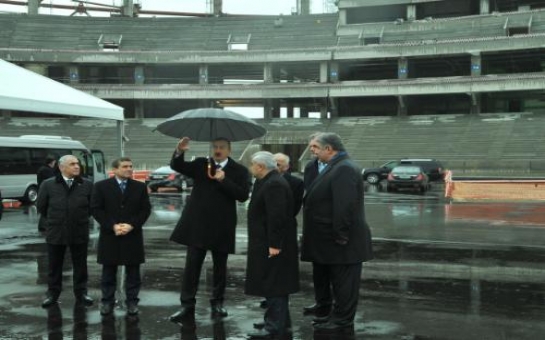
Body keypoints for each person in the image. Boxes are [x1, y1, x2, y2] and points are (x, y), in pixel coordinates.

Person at [168, 137, 251, 324]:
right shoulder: (201, 164)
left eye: (222, 147)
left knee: (220, 268)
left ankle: (217, 303)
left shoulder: (239, 170)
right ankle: (186, 306)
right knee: (192, 267)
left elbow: (243, 196)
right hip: (198, 224)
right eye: (215, 147)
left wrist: (224, 180)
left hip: (222, 226)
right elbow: (177, 166)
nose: (218, 150)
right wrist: (180, 151)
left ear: (229, 150)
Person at [301, 132, 373, 331]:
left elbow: (345, 207)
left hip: (343, 240)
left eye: (315, 147)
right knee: (338, 281)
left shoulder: (344, 169)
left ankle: (343, 320)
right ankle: (335, 315)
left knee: (345, 284)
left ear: (329, 149)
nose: (312, 150)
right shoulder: (336, 167)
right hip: (332, 238)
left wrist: (340, 235)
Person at [245, 151, 299, 339]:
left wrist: (274, 244)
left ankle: (274, 327)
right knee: (273, 283)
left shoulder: (274, 184)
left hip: (273, 244)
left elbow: (277, 217)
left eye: (252, 164)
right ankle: (275, 321)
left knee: (275, 284)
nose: (251, 167)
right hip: (267, 242)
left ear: (260, 166)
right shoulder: (267, 181)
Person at [91, 157, 151, 316]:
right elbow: (97, 209)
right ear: (115, 169)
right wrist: (113, 226)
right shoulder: (101, 187)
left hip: (133, 234)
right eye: (125, 166)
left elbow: (145, 210)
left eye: (131, 166)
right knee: (108, 271)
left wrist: (131, 225)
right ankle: (107, 302)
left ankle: (132, 302)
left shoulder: (139, 187)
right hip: (110, 234)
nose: (129, 169)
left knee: (133, 271)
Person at [36, 155, 94, 308]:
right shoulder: (48, 184)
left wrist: (78, 217)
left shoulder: (87, 184)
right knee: (54, 265)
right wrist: (57, 219)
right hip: (56, 230)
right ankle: (52, 294)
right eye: (72, 164)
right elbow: (41, 206)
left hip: (79, 230)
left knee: (80, 265)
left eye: (77, 164)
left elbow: (91, 207)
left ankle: (81, 293)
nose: (77, 166)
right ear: (62, 167)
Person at [302, 155, 334, 318]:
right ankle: (321, 302)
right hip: (313, 224)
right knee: (318, 269)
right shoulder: (310, 166)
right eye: (312, 147)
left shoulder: (337, 166)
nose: (312, 150)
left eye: (315, 147)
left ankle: (334, 306)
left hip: (329, 224)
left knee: (333, 269)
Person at [274, 153, 304, 217]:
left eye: (277, 165)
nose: (274, 167)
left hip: (285, 221)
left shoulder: (297, 183)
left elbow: (295, 207)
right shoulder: (262, 179)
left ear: (286, 167)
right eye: (272, 164)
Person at [37, 156, 57, 231]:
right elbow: (51, 180)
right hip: (47, 191)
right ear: (51, 162)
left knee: (45, 208)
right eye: (54, 162)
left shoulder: (42, 168)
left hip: (42, 190)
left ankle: (43, 226)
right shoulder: (47, 170)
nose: (55, 164)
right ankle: (44, 226)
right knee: (47, 209)